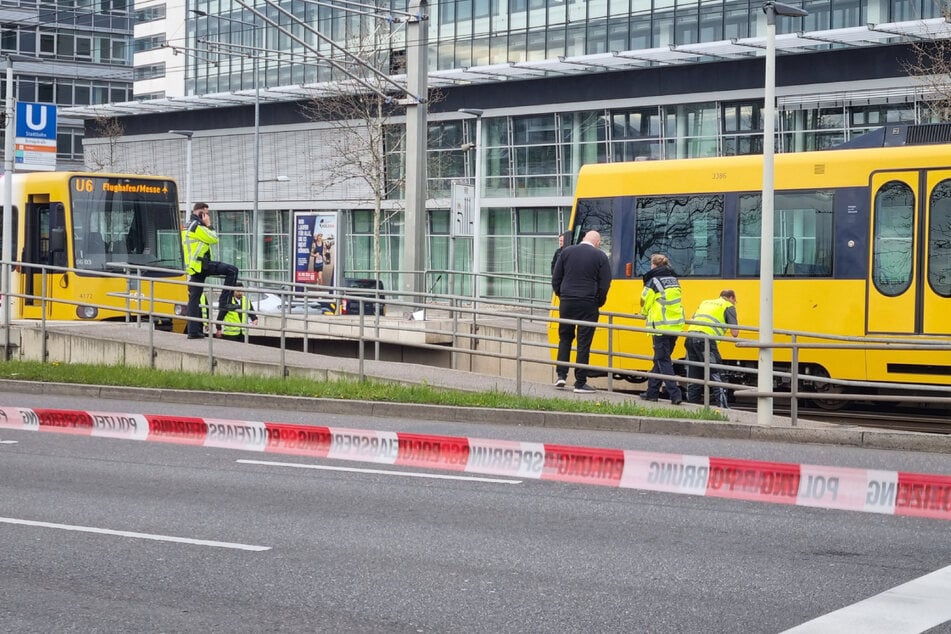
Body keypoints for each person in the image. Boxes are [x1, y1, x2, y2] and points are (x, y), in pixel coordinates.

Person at [551, 230, 611, 394]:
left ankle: (561, 376)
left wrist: (562, 294)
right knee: (584, 342)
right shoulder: (600, 256)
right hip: (588, 303)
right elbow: (605, 283)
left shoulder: (566, 252)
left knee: (565, 338)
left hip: (567, 302)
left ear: (584, 238)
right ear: (597, 242)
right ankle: (580, 382)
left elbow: (556, 278)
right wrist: (598, 301)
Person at [182, 202, 239, 339]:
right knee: (232, 270)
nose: (208, 216)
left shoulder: (187, 225)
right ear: (201, 213)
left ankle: (193, 331)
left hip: (194, 267)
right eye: (206, 213)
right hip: (202, 265)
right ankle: (224, 302)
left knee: (194, 299)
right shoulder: (198, 226)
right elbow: (214, 239)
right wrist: (209, 224)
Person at [639, 253, 685, 404]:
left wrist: (644, 313)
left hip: (660, 326)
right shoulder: (674, 279)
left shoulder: (654, 281)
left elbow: (645, 300)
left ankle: (675, 394)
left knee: (663, 360)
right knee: (659, 360)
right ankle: (652, 393)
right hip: (676, 325)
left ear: (653, 265)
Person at [685, 289, 739, 407]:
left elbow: (692, 318)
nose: (735, 303)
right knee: (717, 374)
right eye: (735, 301)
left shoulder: (705, 302)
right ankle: (723, 407)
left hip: (690, 337)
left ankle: (691, 407)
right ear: (731, 297)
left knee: (694, 375)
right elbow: (735, 332)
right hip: (705, 341)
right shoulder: (728, 306)